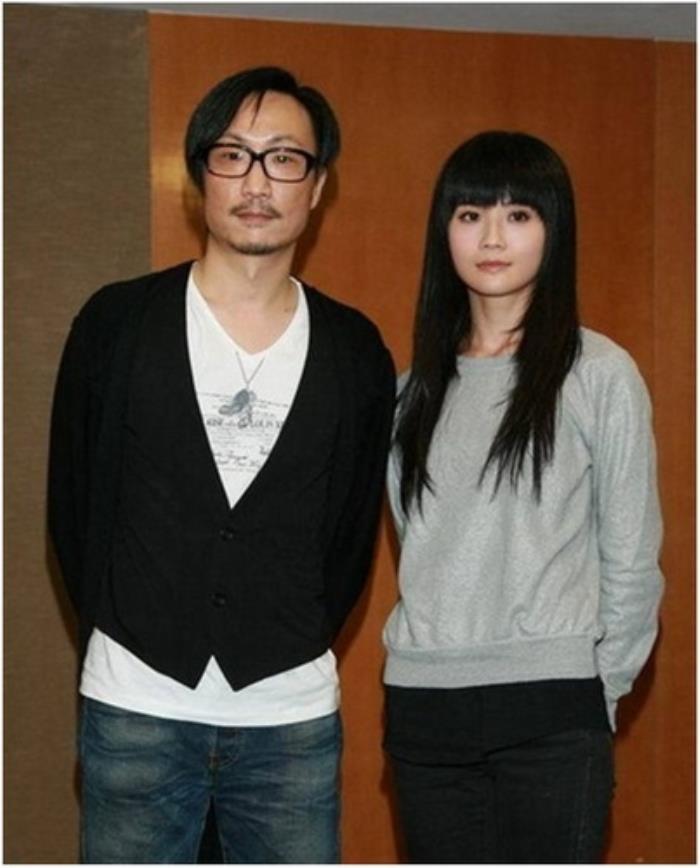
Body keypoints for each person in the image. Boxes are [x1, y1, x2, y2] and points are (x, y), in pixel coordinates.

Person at [48, 66, 395, 864]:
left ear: (318, 185)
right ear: (198, 173)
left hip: (289, 719)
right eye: (234, 155)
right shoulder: (116, 324)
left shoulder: (355, 350)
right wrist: (125, 629)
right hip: (134, 704)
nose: (257, 182)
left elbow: (350, 535)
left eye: (285, 158)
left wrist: (286, 631)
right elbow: (73, 507)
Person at [382, 131, 663, 864]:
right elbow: (420, 546)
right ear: (444, 232)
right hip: (424, 710)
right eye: (470, 215)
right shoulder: (409, 395)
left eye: (518, 215)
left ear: (553, 229)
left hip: (552, 709)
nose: (492, 237)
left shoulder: (598, 373)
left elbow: (633, 559)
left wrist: (597, 691)